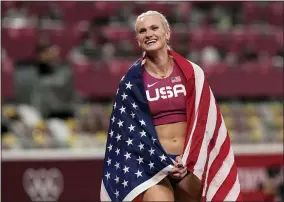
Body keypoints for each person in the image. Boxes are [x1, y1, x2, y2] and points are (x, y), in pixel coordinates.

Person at [101, 10, 242, 202]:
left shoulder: (192, 73)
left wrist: (189, 159)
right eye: (142, 31)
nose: (148, 34)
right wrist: (160, 159)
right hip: (152, 164)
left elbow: (205, 122)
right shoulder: (131, 82)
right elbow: (126, 134)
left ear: (167, 33)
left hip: (189, 163)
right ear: (137, 40)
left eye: (154, 28)